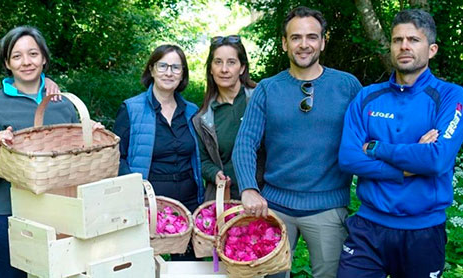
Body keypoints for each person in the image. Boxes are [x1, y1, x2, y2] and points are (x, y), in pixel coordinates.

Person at [232, 6, 362, 278]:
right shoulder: (268, 89)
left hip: (328, 208)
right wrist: (248, 188)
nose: (304, 45)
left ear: (323, 42)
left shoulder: (348, 86)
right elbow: (245, 143)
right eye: (296, 37)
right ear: (284, 43)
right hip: (274, 207)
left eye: (312, 37)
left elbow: (371, 134)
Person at [336, 9, 463, 278]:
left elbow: (436, 159)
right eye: (397, 40)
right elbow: (348, 158)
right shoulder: (367, 97)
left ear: (432, 49)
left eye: (413, 40)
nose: (404, 46)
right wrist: (407, 164)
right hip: (368, 228)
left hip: (423, 231)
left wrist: (375, 148)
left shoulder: (449, 95)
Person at [0, 26, 89, 278]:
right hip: (8, 215)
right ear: (7, 63)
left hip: (58, 211)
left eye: (33, 54)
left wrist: (91, 137)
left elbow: (80, 163)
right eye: (17, 56)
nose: (26, 62)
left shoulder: (64, 104)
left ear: (44, 58)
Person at [114, 45, 203, 260]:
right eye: (162, 66)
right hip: (149, 202)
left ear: (183, 74)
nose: (169, 72)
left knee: (186, 268)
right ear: (152, 70)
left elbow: (201, 157)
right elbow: (117, 156)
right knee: (149, 265)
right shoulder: (131, 109)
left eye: (175, 67)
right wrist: (136, 190)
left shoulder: (192, 111)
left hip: (189, 203)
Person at [193, 35, 263, 201]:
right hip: (228, 200)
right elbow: (201, 159)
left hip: (268, 197)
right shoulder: (203, 118)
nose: (224, 69)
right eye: (218, 62)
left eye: (231, 62)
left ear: (242, 68)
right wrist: (214, 173)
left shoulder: (260, 99)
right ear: (210, 68)